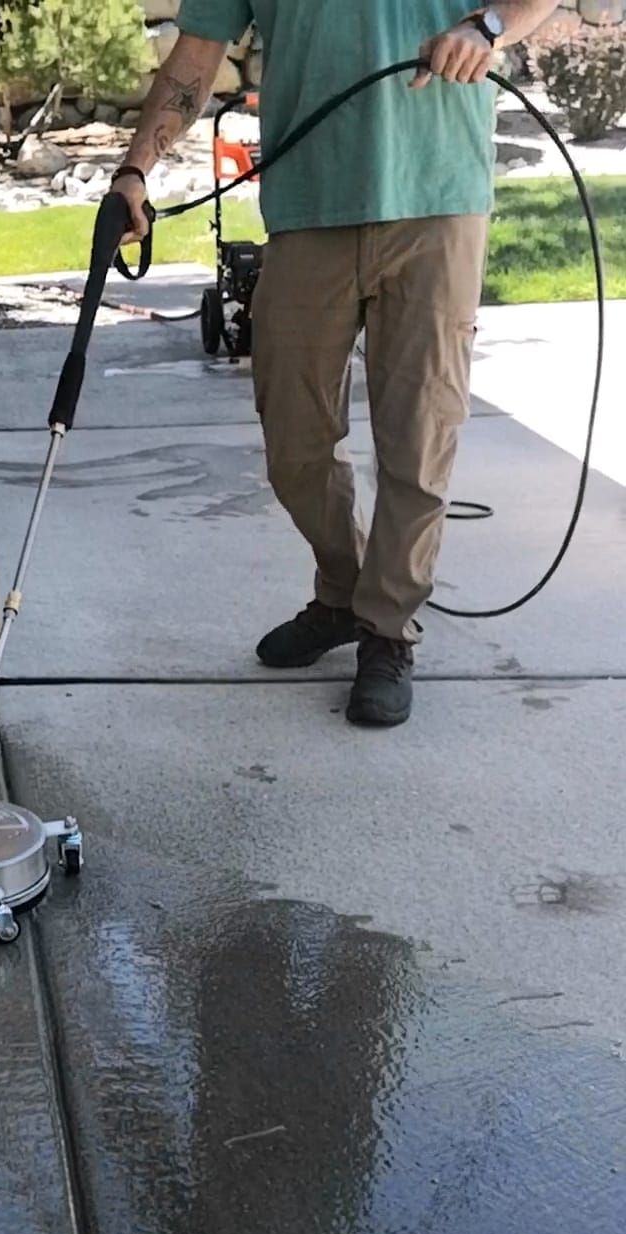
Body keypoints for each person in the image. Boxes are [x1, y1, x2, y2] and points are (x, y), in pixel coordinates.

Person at [109, 1, 558, 726]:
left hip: (436, 200)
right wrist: (134, 171)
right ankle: (345, 592)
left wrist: (488, 28)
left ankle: (387, 630)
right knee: (294, 441)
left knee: (419, 436)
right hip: (309, 206)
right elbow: (194, 59)